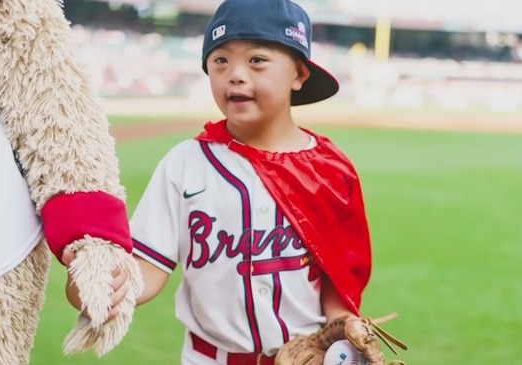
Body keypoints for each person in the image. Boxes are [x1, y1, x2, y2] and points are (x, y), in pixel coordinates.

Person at [72, 0, 400, 363]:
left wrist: (345, 335)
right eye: (220, 61)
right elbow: (146, 270)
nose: (235, 74)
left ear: (299, 73)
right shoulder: (186, 164)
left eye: (257, 59)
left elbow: (337, 284)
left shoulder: (330, 170)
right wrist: (98, 283)